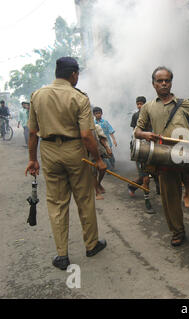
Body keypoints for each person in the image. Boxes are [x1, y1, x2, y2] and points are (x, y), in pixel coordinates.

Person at [25, 57, 107, 271]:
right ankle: (91, 245)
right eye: (77, 74)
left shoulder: (37, 95)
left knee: (57, 203)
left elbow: (33, 133)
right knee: (84, 199)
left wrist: (32, 159)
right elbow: (87, 135)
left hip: (49, 151)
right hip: (75, 152)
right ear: (74, 75)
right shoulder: (78, 97)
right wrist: (98, 159)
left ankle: (62, 255)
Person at [135, 66, 189, 250]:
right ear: (153, 84)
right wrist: (145, 135)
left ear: (171, 82)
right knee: (170, 199)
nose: (164, 83)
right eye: (160, 81)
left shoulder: (184, 104)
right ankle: (177, 232)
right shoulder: (148, 107)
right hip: (164, 159)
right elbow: (137, 131)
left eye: (167, 80)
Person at [128, 96, 156, 214]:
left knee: (154, 173)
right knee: (145, 178)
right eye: (138, 104)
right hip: (140, 148)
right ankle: (147, 202)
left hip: (153, 147)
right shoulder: (135, 116)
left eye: (141, 104)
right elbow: (134, 132)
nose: (139, 106)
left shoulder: (152, 114)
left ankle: (132, 186)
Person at [92, 123, 112, 200]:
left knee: (103, 168)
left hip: (98, 151)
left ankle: (98, 183)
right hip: (87, 153)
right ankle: (97, 192)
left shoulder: (96, 127)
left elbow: (102, 138)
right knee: (93, 172)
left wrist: (107, 148)